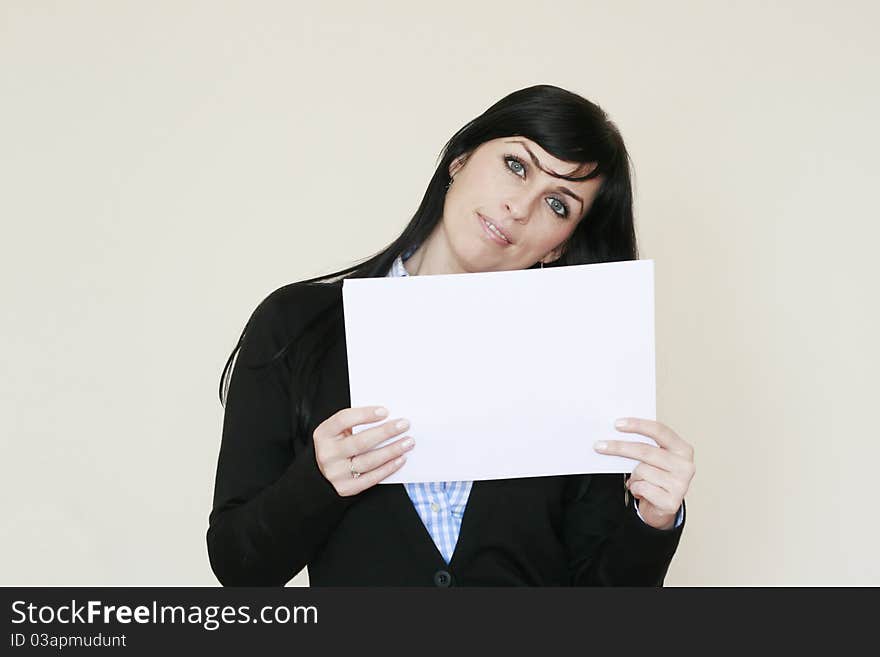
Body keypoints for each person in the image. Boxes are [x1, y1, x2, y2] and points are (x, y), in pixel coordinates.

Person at [207, 84, 696, 586]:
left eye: (558, 204)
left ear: (560, 245)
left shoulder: (580, 359)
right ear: (460, 160)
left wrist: (652, 523)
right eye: (516, 166)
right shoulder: (297, 325)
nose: (520, 208)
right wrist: (318, 481)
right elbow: (239, 567)